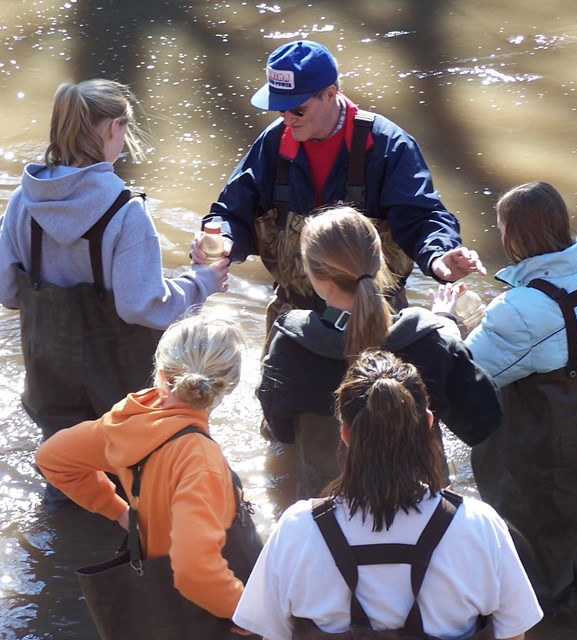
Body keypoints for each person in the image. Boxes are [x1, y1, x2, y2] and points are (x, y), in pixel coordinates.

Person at [234, 349, 542, 639]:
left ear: (345, 433)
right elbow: (513, 631)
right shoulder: (478, 525)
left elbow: (272, 633)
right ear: (428, 424)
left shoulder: (297, 528)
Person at [0, 79, 229, 450]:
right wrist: (200, 282)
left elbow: (8, 292)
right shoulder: (125, 212)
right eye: (123, 130)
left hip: (49, 382)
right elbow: (141, 305)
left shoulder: (22, 204)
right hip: (116, 392)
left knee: (65, 472)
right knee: (126, 480)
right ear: (112, 128)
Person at [193, 39, 484, 332]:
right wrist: (222, 241)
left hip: (374, 314)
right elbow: (230, 212)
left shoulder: (388, 146)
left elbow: (422, 215)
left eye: (297, 109)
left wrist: (438, 255)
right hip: (292, 316)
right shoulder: (273, 142)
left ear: (330, 94)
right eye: (278, 108)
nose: (287, 119)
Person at [451, 181, 577, 609]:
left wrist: (449, 320)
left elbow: (465, 375)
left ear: (515, 235)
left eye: (501, 227)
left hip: (562, 460)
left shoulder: (519, 308)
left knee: (538, 573)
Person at [258, 206, 502, 502]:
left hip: (328, 512)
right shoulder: (427, 339)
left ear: (313, 274)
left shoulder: (290, 342)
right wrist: (446, 327)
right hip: (423, 510)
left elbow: (280, 430)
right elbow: (482, 422)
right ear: (379, 261)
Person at [35, 311, 254, 628]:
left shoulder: (129, 420)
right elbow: (194, 570)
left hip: (154, 580)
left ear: (161, 371)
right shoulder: (201, 460)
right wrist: (246, 613)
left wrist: (120, 512)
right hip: (204, 605)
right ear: (229, 386)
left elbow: (52, 458)